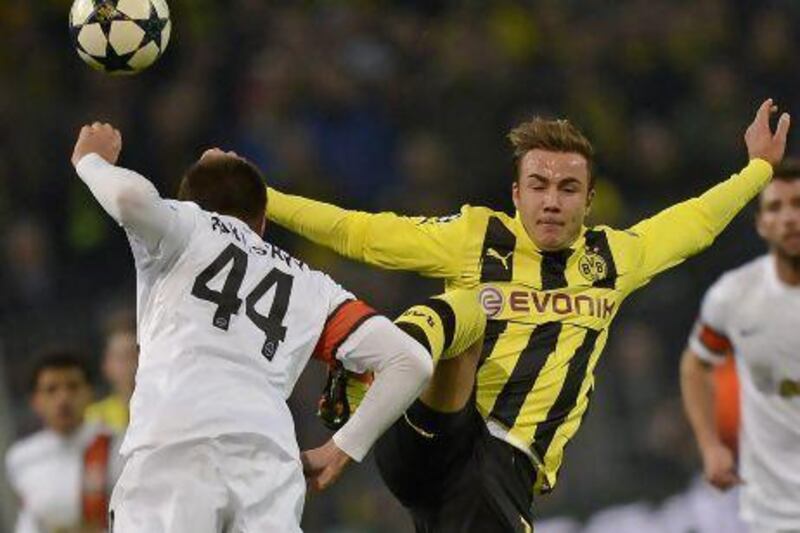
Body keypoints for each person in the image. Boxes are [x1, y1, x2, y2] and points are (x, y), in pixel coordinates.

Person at [264, 99, 790, 531]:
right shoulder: (474, 237)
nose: (552, 202)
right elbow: (358, 232)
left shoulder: (615, 257)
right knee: (467, 310)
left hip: (505, 468)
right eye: (538, 185)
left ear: (588, 202)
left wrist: (758, 169)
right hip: (429, 432)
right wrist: (259, 198)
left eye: (568, 189)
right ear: (516, 194)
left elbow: (695, 223)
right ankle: (370, 384)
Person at [70, 123, 432, 532]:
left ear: (190, 203)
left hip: (174, 448)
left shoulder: (187, 226)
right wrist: (341, 450)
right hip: (268, 468)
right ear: (263, 224)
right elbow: (410, 361)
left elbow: (126, 196)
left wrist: (90, 160)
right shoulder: (311, 286)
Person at [681, 160, 800, 532]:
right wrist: (710, 445)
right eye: (775, 207)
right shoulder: (734, 297)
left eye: (798, 204)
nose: (789, 218)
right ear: (761, 223)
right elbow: (695, 365)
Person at [6, 349, 119, 533]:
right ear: (36, 401)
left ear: (89, 392)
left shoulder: (116, 446)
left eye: (73, 387)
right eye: (51, 390)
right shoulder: (21, 458)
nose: (63, 399)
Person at [85, 309, 137, 432]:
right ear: (106, 365)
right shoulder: (93, 417)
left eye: (135, 356)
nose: (132, 365)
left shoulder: (161, 410)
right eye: (122, 358)